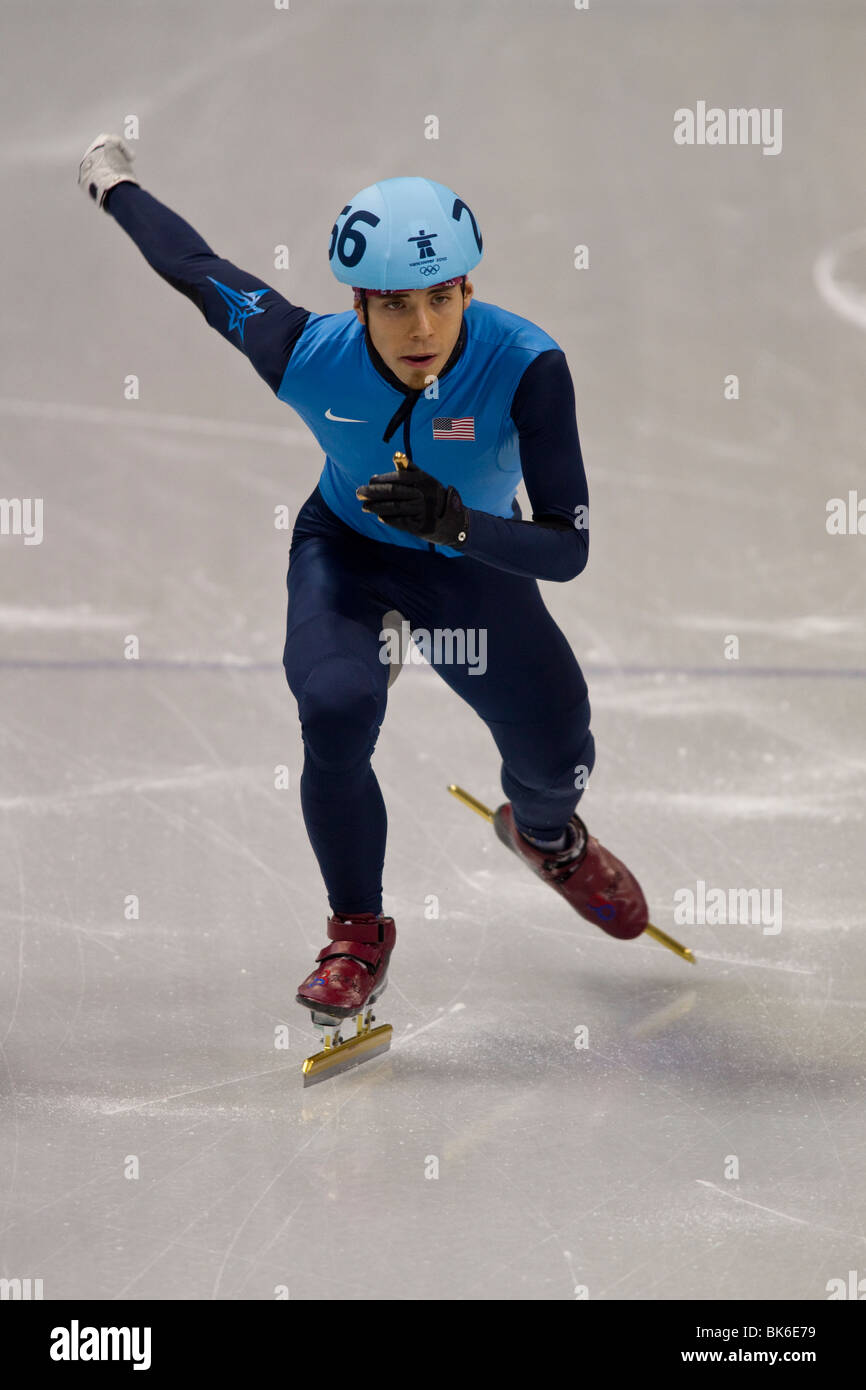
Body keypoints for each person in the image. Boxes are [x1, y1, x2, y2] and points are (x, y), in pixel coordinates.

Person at [77, 134, 650, 1072]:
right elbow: (194, 268)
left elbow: (570, 549)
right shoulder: (304, 353)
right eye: (393, 304)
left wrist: (459, 524)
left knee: (558, 757)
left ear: (469, 289)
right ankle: (356, 933)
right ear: (358, 302)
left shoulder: (528, 366)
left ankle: (546, 836)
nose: (420, 325)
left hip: (472, 566)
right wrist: (114, 184)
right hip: (345, 554)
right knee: (335, 706)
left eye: (440, 297)